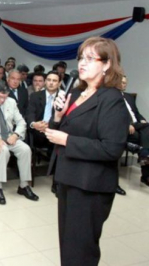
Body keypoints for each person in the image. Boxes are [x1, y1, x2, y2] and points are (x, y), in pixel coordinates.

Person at [44, 37, 129, 266]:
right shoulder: (77, 93)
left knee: (81, 250)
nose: (82, 63)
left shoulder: (111, 99)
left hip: (90, 185)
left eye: (91, 58)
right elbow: (56, 134)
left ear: (107, 64)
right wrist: (58, 116)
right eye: (81, 57)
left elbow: (111, 148)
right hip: (69, 178)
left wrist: (68, 140)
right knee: (68, 244)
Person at [26, 70, 60, 193]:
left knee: (60, 147)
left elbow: (63, 118)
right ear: (45, 82)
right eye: (49, 80)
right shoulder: (36, 96)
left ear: (59, 83)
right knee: (28, 138)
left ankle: (57, 181)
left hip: (53, 131)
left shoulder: (62, 98)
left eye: (54, 80)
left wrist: (49, 127)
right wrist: (34, 124)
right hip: (37, 131)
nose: (51, 83)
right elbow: (29, 114)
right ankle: (26, 177)